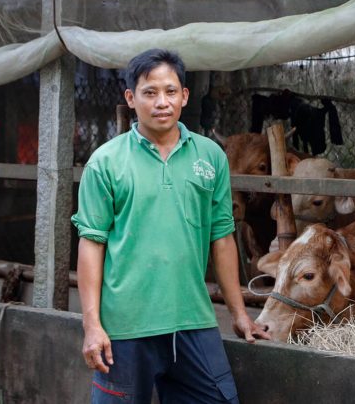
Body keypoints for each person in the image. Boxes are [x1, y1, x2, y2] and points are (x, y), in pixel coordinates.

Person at [71, 48, 271, 403]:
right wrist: (92, 324)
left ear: (184, 96)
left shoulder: (210, 157)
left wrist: (239, 314)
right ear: (131, 98)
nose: (161, 102)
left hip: (193, 320)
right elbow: (91, 244)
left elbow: (222, 238)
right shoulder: (106, 163)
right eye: (150, 93)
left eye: (170, 91)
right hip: (125, 327)